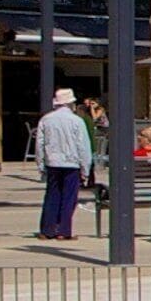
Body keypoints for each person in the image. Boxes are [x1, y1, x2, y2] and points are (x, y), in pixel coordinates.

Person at [32, 87, 92, 240]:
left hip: (52, 162)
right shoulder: (77, 121)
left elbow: (40, 145)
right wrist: (85, 169)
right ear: (71, 104)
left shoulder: (46, 119)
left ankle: (47, 229)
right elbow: (83, 146)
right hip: (72, 164)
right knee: (69, 198)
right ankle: (64, 230)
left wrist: (40, 165)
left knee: (52, 196)